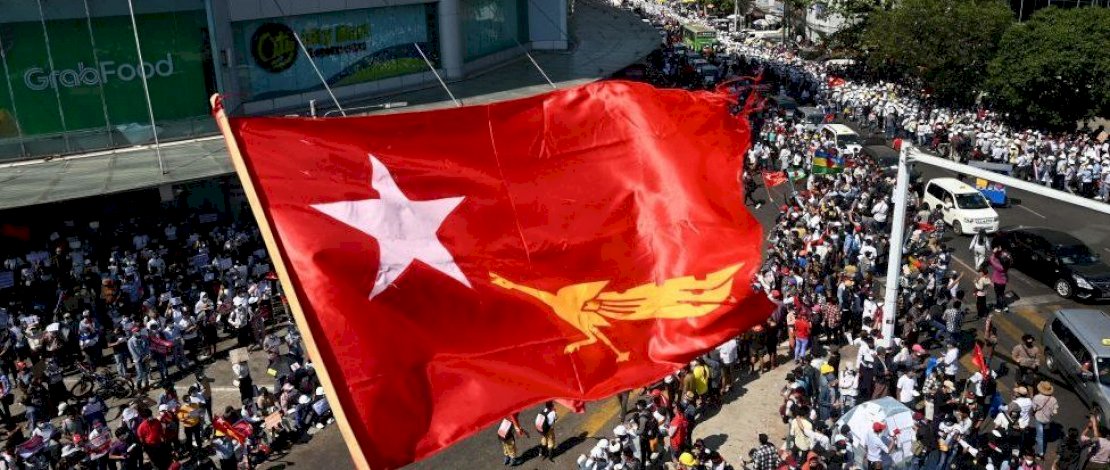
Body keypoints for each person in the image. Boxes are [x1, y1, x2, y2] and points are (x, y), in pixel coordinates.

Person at [1031, 381, 1058, 458]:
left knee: (1040, 436)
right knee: (1044, 433)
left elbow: (1033, 408)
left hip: (1039, 418)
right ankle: (1042, 446)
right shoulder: (1053, 399)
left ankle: (1040, 453)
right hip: (1047, 419)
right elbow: (1055, 411)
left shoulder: (1037, 397)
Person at [989, 246, 1011, 311]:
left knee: (998, 295)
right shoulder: (1007, 264)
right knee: (1001, 294)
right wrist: (999, 251)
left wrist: (994, 252)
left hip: (997, 282)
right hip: (1003, 282)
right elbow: (1007, 257)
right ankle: (1004, 306)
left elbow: (991, 259)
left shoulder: (999, 267)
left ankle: (999, 307)